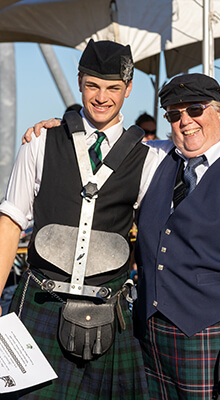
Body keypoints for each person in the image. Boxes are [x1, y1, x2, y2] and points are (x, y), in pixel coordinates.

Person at [0, 39, 163, 400]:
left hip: (110, 312)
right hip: (40, 306)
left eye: (113, 88)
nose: (102, 97)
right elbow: (10, 224)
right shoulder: (39, 142)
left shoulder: (150, 160)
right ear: (79, 81)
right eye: (93, 85)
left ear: (129, 89)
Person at [134, 73, 220, 399]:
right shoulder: (156, 159)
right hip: (150, 334)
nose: (185, 121)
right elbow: (105, 142)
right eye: (174, 115)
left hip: (214, 333)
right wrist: (59, 129)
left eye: (195, 109)